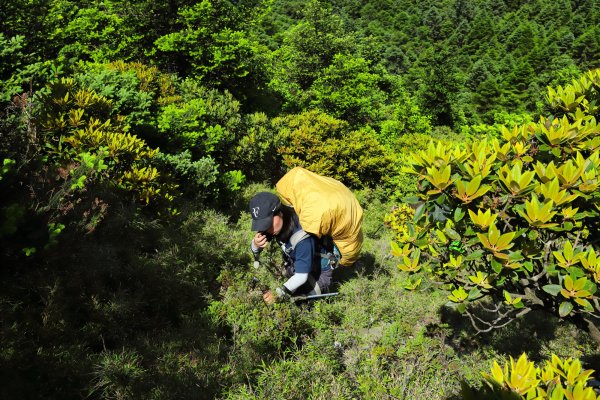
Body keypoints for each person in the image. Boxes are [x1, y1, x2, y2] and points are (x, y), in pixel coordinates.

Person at [248, 191, 337, 303]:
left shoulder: (303, 237)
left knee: (297, 303)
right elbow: (256, 248)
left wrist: (277, 293)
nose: (266, 229)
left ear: (280, 212)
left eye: (268, 223)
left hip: (318, 273)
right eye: (262, 224)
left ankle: (321, 290)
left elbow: (301, 276)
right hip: (296, 264)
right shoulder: (276, 224)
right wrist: (255, 245)